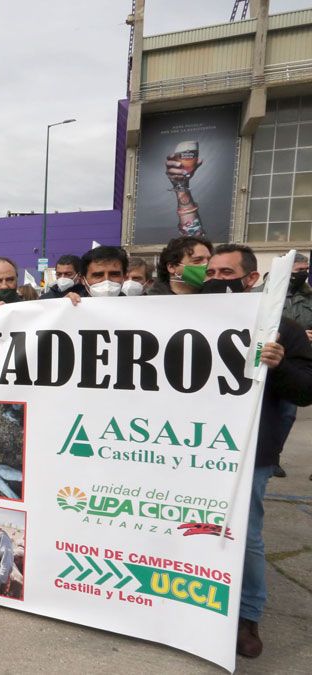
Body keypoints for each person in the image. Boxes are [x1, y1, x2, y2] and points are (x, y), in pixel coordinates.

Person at [198, 244, 312, 658]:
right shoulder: (185, 318)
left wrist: (278, 364)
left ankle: (247, 616)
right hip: (187, 448)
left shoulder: (285, 328)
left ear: (251, 279)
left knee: (243, 534)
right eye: (210, 271)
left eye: (226, 273)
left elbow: (305, 391)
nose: (215, 279)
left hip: (249, 452)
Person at [275, 252, 312, 479]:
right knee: (281, 413)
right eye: (299, 270)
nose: (303, 274)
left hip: (301, 360)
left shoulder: (310, 297)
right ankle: (273, 457)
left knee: (289, 413)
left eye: (305, 270)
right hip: (275, 359)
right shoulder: (266, 293)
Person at [147, 235, 212, 295]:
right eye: (197, 260)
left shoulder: (215, 296)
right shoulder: (148, 303)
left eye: (210, 260)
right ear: (171, 267)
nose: (207, 265)